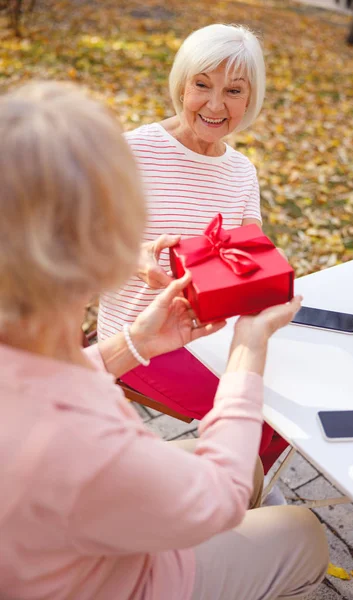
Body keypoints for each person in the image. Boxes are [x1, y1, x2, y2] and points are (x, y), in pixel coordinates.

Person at [0, 81, 329, 599]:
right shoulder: (86, 440)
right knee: (306, 533)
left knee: (250, 461)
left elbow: (37, 386)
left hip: (65, 540)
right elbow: (218, 498)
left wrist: (132, 342)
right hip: (129, 580)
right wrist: (248, 350)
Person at [98, 24, 290, 488]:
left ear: (251, 99)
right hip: (145, 339)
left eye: (234, 91)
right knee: (265, 421)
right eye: (202, 84)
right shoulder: (131, 151)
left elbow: (250, 258)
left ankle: (238, 493)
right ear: (181, 83)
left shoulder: (242, 172)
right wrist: (131, 259)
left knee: (291, 409)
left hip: (215, 336)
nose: (216, 104)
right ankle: (220, 503)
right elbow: (75, 251)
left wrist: (263, 276)